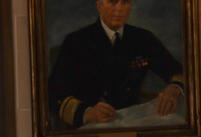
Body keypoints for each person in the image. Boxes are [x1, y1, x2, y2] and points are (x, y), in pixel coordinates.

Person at [48, 0, 185, 128]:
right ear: (99, 5)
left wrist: (174, 88)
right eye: (113, 1)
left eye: (125, 2)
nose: (119, 9)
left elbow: (178, 70)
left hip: (133, 119)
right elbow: (53, 92)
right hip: (92, 125)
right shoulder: (76, 42)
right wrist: (86, 113)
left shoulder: (143, 38)